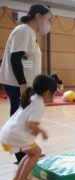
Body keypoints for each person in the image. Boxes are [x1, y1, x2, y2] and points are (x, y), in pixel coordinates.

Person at [0, 4, 52, 164]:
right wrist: (23, 84)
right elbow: (15, 58)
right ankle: (21, 156)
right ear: (38, 16)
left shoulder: (29, 33)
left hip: (23, 85)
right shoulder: (23, 31)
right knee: (19, 120)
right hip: (18, 85)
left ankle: (27, 151)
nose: (49, 23)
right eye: (48, 19)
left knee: (24, 118)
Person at [0, 75, 57, 180]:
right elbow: (31, 125)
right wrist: (43, 132)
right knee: (36, 153)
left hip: (7, 133)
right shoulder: (39, 104)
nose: (53, 97)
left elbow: (28, 123)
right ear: (46, 92)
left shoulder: (32, 97)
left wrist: (35, 133)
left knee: (32, 153)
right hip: (14, 135)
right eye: (53, 94)